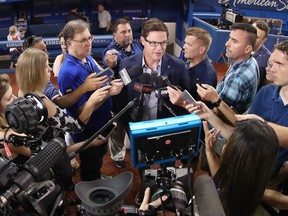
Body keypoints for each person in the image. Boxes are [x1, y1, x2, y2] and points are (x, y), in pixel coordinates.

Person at [119, 17, 190, 205]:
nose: (159, 48)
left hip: (167, 127)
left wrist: (182, 102)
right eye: (153, 43)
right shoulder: (127, 65)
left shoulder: (178, 66)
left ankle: (165, 194)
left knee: (167, 164)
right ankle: (146, 190)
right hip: (139, 126)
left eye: (163, 43)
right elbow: (120, 99)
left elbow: (188, 100)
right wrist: (126, 125)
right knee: (143, 164)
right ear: (142, 41)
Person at [185, 101, 279, 216]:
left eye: (230, 141)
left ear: (239, 160)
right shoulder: (241, 183)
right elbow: (221, 179)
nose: (224, 145)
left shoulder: (265, 197)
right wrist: (210, 152)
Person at [58, 20, 123, 181]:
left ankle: (97, 180)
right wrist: (109, 93)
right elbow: (81, 112)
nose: (88, 44)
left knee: (99, 160)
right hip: (88, 133)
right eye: (83, 40)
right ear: (69, 43)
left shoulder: (87, 58)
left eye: (90, 38)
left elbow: (102, 77)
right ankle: (91, 197)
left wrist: (110, 83)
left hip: (101, 125)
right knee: (90, 167)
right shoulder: (68, 73)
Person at [102, 18, 143, 168]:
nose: (128, 34)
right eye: (123, 32)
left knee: (136, 131)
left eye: (129, 31)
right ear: (115, 35)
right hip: (119, 103)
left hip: (137, 99)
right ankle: (118, 157)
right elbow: (109, 61)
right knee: (117, 133)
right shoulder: (111, 51)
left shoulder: (137, 47)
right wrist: (110, 61)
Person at [203, 23, 259, 114]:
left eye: (234, 41)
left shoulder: (237, 79)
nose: (227, 44)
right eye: (229, 38)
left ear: (247, 49)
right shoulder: (251, 60)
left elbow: (220, 113)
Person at [182, 27, 217, 100]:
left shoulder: (207, 76)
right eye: (185, 43)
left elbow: (200, 108)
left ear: (201, 50)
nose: (184, 47)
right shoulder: (189, 60)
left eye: (189, 44)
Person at [251, 20, 271, 90]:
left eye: (257, 37)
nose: (252, 38)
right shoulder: (241, 47)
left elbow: (268, 86)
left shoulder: (267, 58)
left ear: (263, 40)